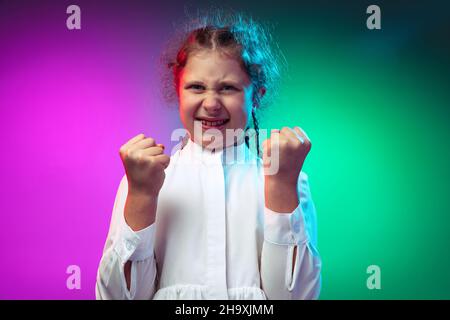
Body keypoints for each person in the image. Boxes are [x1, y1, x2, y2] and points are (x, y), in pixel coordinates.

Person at [95, 12, 321, 300]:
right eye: (196, 87)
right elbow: (118, 298)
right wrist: (141, 195)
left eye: (228, 88)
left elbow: (293, 298)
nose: (211, 104)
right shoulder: (143, 180)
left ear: (257, 96)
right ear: (179, 93)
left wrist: (280, 186)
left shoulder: (289, 180)